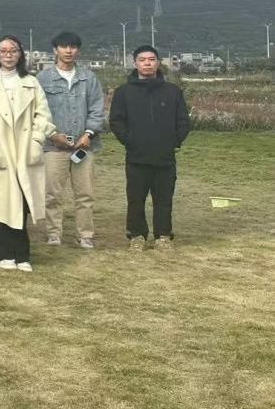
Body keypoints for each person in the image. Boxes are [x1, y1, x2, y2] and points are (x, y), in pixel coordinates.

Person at [0, 35, 54, 271]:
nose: (8, 55)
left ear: (20, 54)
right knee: (1, 203)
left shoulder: (31, 82)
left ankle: (22, 255)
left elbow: (43, 114)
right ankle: (3, 253)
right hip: (1, 149)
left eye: (13, 51)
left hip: (25, 148)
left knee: (22, 202)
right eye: (3, 51)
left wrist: (36, 141)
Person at [110, 46, 191, 251]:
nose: (147, 63)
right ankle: (136, 236)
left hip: (165, 157)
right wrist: (130, 141)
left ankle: (163, 236)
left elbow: (183, 121)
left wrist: (173, 142)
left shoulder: (172, 92)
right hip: (136, 157)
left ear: (158, 62)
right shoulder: (124, 92)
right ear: (135, 63)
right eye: (142, 59)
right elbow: (116, 121)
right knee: (136, 199)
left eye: (151, 59)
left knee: (164, 199)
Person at [37, 32, 105, 249]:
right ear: (55, 49)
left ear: (78, 50)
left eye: (73, 47)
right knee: (52, 194)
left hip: (84, 146)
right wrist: (52, 134)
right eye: (63, 46)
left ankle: (85, 234)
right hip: (53, 147)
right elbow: (37, 112)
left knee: (85, 193)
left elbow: (97, 109)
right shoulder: (42, 79)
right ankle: (53, 233)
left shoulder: (88, 78)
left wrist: (88, 134)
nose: (68, 51)